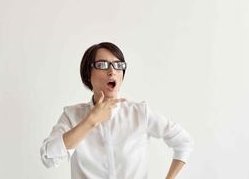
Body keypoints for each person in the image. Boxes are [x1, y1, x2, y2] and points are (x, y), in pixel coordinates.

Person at [40, 42, 194, 179]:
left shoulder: (139, 113)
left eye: (118, 65)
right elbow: (49, 158)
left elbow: (183, 141)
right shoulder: (72, 115)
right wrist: (91, 121)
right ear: (88, 74)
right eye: (103, 65)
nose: (112, 71)